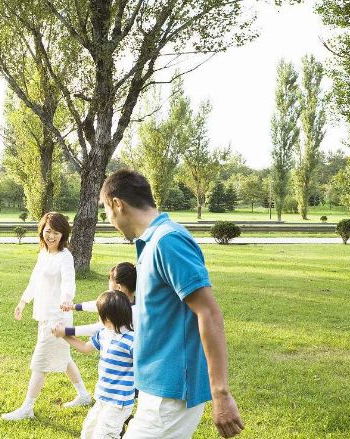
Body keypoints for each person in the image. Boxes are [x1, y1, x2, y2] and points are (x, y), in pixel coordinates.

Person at [100, 169, 244, 439]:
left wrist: (221, 394)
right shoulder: (153, 241)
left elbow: (209, 313)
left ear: (117, 204)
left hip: (170, 394)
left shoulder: (168, 241)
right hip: (156, 388)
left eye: (105, 210)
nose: (109, 220)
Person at [1, 212, 92, 421]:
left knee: (40, 361)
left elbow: (69, 281)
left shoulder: (65, 256)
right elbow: (35, 280)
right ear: (42, 230)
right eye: (48, 231)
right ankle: (84, 395)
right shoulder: (44, 253)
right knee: (65, 358)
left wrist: (67, 298)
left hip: (57, 318)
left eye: (56, 232)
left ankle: (27, 408)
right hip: (44, 315)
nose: (51, 236)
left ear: (63, 235)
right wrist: (23, 302)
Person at [61, 290, 135, 439]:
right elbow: (85, 348)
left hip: (119, 402)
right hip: (102, 397)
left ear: (107, 317)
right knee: (87, 432)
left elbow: (145, 365)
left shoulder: (131, 340)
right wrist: (64, 335)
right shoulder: (104, 334)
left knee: (104, 435)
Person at [53, 262, 136, 338]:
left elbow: (96, 329)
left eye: (109, 280)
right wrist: (73, 307)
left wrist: (66, 331)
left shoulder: (118, 309)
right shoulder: (138, 306)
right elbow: (97, 305)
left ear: (118, 287)